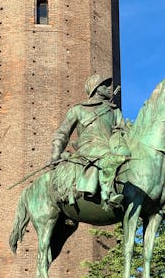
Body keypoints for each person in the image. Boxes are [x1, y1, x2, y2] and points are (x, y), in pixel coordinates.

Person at [50, 73, 130, 210]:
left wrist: (121, 132)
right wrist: (55, 154)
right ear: (96, 89)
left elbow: (125, 131)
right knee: (108, 155)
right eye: (105, 85)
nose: (109, 88)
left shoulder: (113, 110)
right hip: (89, 146)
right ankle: (108, 193)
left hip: (111, 145)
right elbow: (62, 133)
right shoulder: (78, 109)